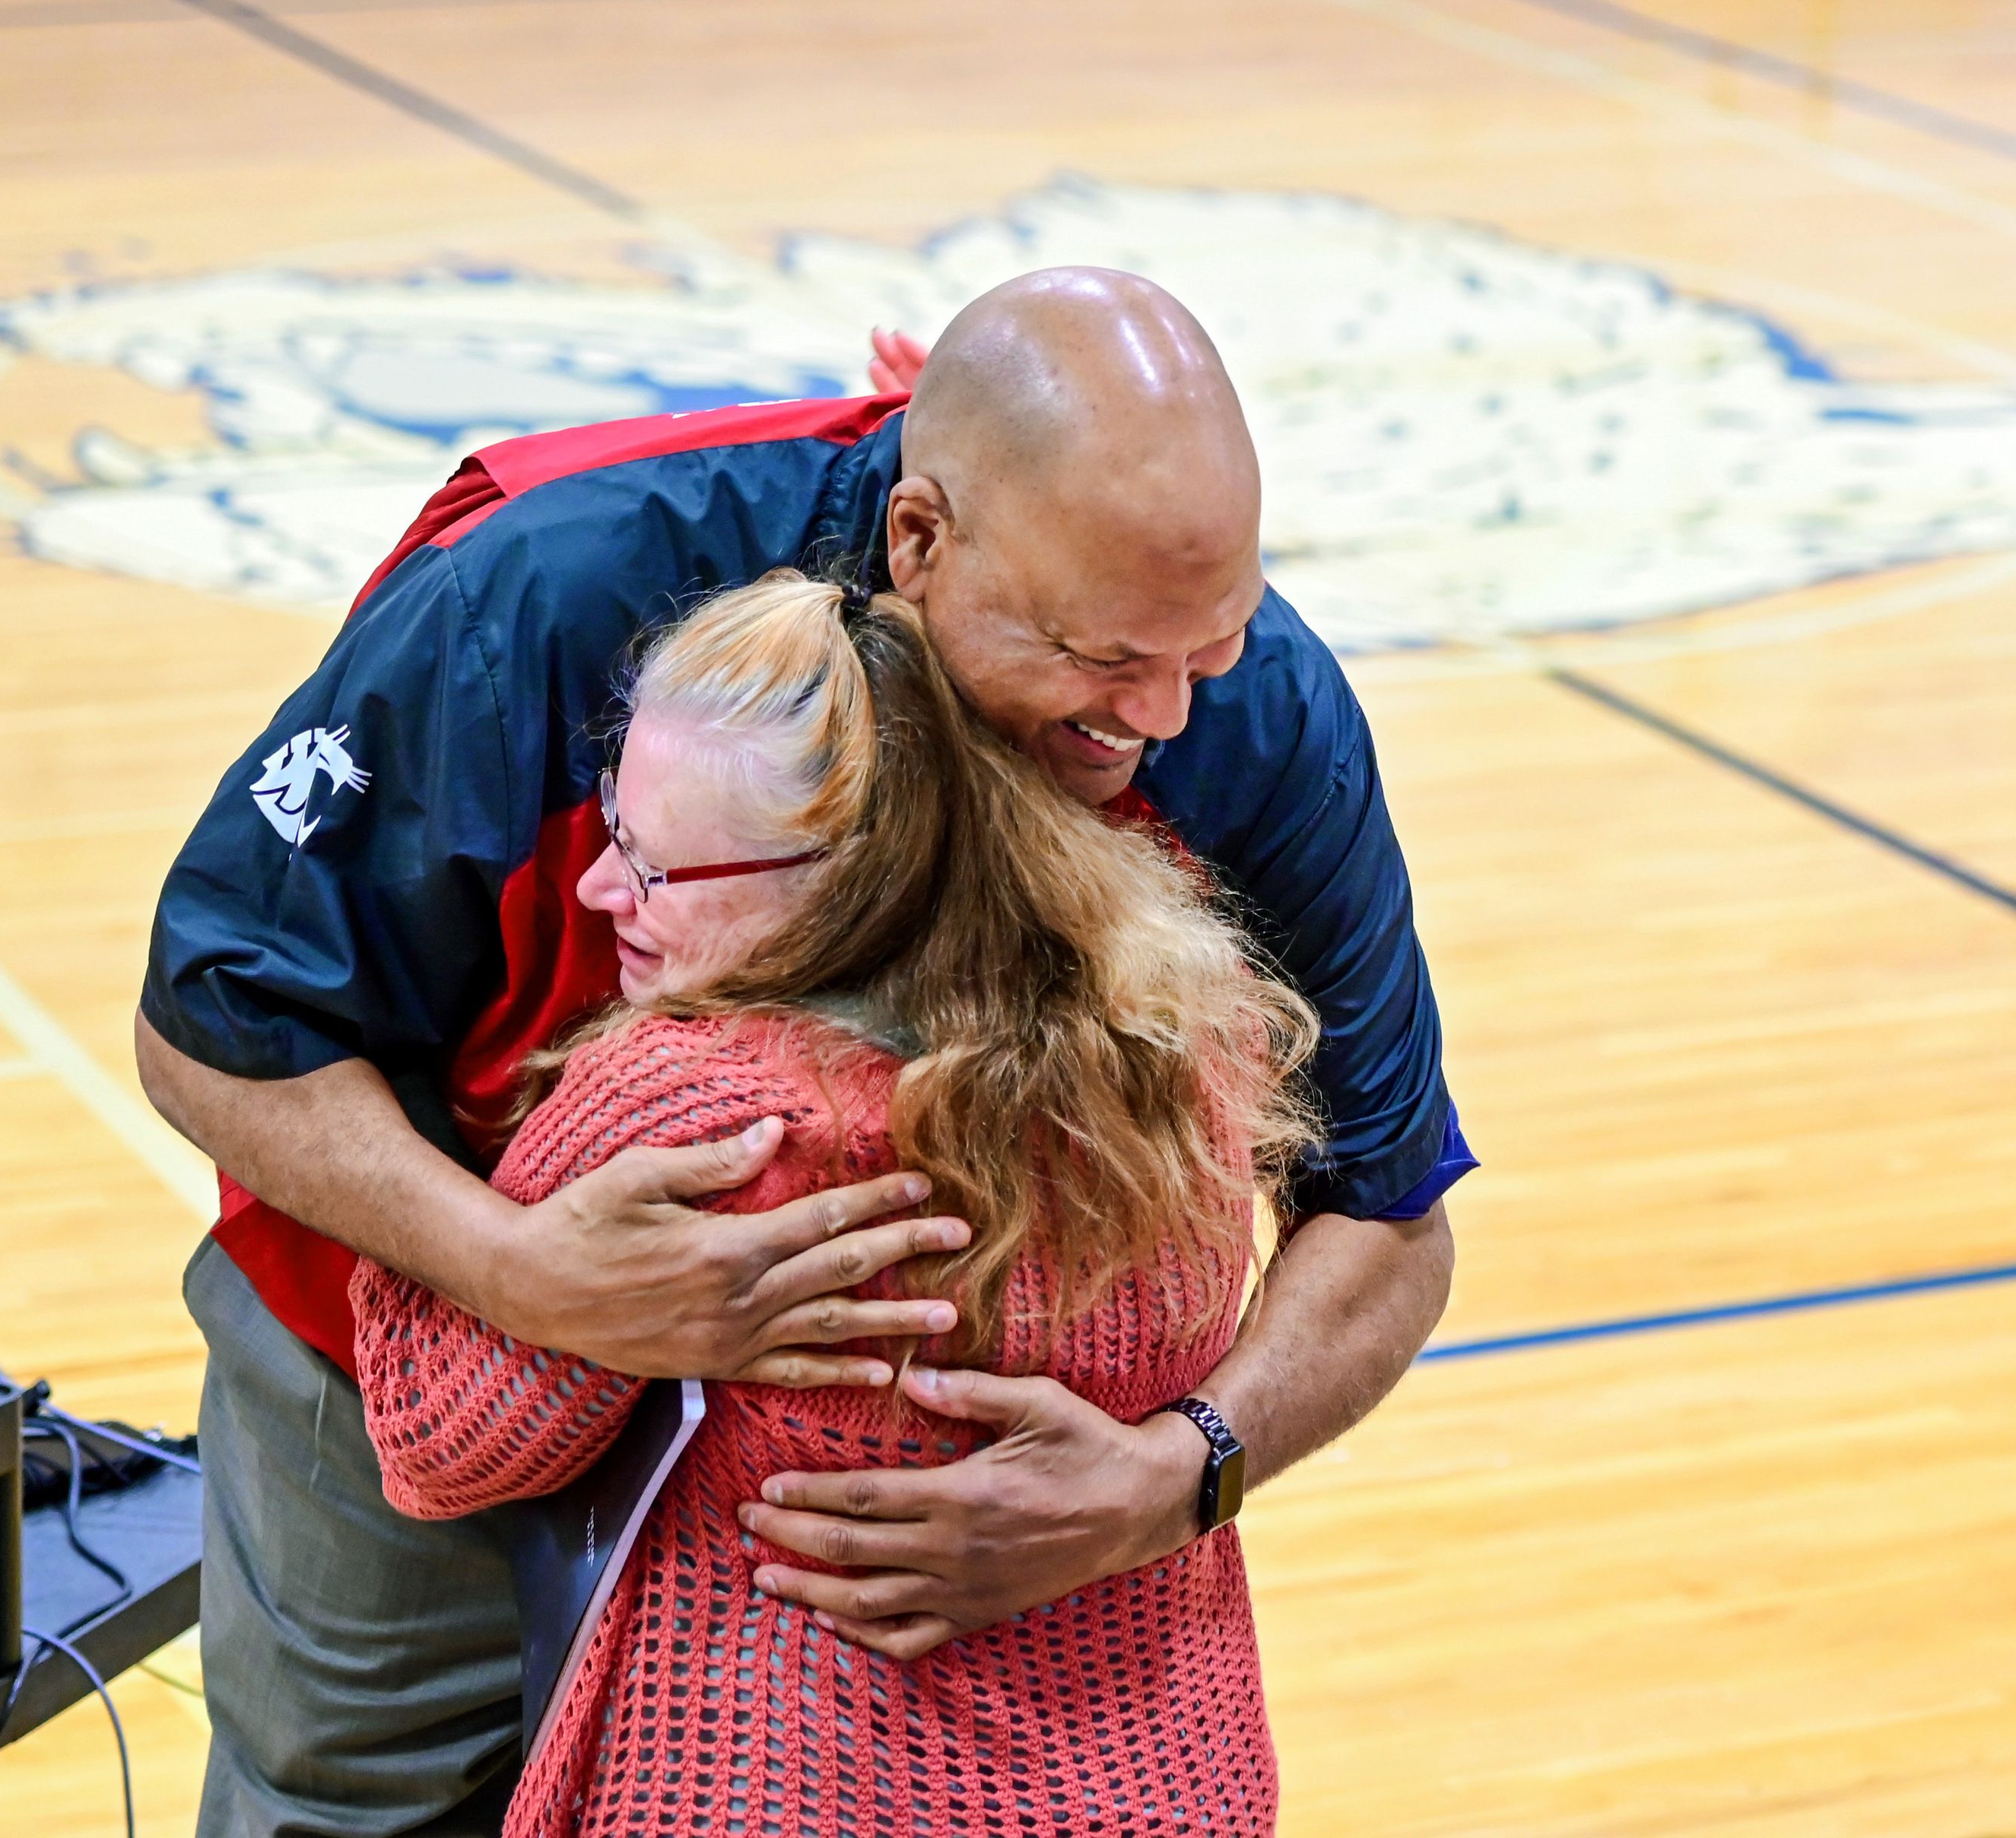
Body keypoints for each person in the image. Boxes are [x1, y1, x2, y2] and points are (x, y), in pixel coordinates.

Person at [138, 268, 1473, 1835]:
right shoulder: (550, 597)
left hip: (845, 1528)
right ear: (920, 538)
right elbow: (212, 1019)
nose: (1167, 717)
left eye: (1212, 644)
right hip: (424, 1312)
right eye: (1105, 658)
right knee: (359, 1805)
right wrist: (517, 1270)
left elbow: (1387, 1198)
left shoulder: (1249, 706)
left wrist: (1181, 1471)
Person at [354, 571, 1317, 1833]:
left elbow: (437, 1441)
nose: (599, 894)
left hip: (777, 1783)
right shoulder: (1190, 1040)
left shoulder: (690, 1112)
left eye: (657, 866)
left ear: (845, 874)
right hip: (1166, 1777)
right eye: (611, 828)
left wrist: (474, 1234)